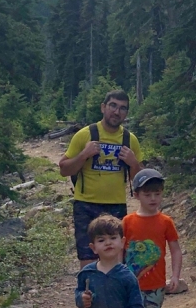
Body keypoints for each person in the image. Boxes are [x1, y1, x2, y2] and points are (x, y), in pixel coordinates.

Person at [59, 90, 143, 269]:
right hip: (85, 205)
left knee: (115, 261)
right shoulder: (84, 135)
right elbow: (64, 169)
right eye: (113, 105)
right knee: (88, 260)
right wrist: (84, 155)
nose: (117, 112)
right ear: (103, 107)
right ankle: (89, 295)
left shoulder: (130, 140)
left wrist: (133, 163)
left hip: (116, 206)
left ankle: (113, 296)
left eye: (122, 108)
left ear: (126, 113)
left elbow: (138, 183)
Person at [122, 168, 182, 308]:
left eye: (157, 193)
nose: (153, 198)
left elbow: (175, 249)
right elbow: (118, 252)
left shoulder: (166, 222)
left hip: (155, 287)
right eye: (147, 194)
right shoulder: (127, 222)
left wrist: (175, 275)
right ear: (136, 195)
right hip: (128, 287)